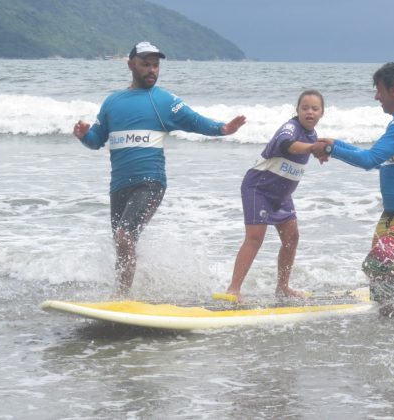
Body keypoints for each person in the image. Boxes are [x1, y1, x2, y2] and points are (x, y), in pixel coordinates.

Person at [72, 41, 247, 294]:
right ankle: (133, 290)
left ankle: (122, 297)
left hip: (150, 182)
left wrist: (222, 128)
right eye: (146, 64)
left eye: (155, 65)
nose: (152, 70)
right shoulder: (112, 102)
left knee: (124, 235)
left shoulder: (163, 100)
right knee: (122, 242)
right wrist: (83, 136)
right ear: (131, 65)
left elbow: (194, 120)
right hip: (119, 186)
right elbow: (96, 140)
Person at [312, 62, 394, 316]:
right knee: (381, 288)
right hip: (391, 214)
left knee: (377, 263)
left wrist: (330, 149)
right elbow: (373, 157)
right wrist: (335, 143)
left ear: (393, 89)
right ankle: (392, 329)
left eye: (379, 90)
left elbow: (369, 161)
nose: (376, 97)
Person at [224, 90, 325, 301]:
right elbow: (285, 145)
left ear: (322, 113)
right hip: (258, 188)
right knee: (255, 238)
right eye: (304, 108)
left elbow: (307, 151)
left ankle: (282, 287)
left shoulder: (312, 135)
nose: (309, 112)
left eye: (315, 109)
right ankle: (233, 289)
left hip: (281, 195)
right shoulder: (291, 128)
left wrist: (317, 151)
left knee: (292, 238)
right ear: (296, 110)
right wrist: (312, 148)